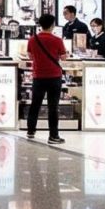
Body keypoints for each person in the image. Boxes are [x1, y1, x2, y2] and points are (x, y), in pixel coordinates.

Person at [27, 13, 68, 144]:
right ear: (52, 25)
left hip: (38, 76)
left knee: (35, 104)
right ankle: (53, 135)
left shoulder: (33, 39)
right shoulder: (57, 40)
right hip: (54, 76)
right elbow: (63, 57)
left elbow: (30, 56)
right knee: (53, 106)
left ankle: (31, 130)